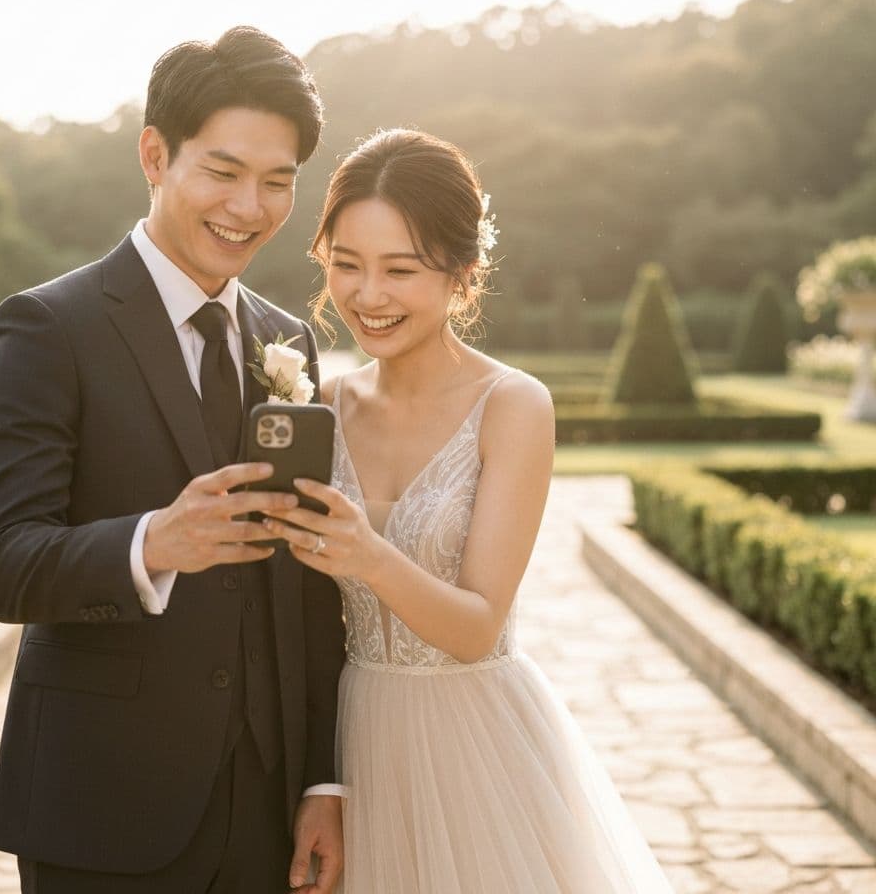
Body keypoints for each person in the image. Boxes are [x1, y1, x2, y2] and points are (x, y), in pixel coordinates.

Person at [0, 27, 346, 893]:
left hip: (266, 805)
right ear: (153, 154)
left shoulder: (287, 341)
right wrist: (152, 543)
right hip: (102, 802)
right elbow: (4, 564)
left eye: (278, 182)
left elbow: (307, 579)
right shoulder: (45, 328)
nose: (248, 207)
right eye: (222, 172)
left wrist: (322, 778)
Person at [262, 128, 675, 892]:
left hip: (477, 744)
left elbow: (478, 625)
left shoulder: (512, 406)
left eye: (400, 270)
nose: (367, 296)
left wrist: (366, 555)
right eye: (346, 265)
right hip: (356, 743)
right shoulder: (323, 404)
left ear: (462, 273)